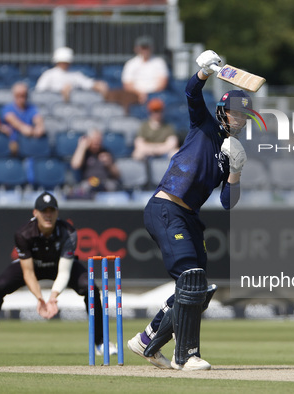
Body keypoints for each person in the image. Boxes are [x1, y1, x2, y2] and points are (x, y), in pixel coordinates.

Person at [126, 50, 249, 371]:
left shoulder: (233, 149)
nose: (240, 121)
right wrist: (204, 73)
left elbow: (227, 203)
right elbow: (191, 94)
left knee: (199, 289)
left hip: (190, 218)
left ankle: (146, 340)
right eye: (236, 114)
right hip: (166, 207)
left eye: (245, 117)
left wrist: (234, 172)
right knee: (191, 278)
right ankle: (187, 355)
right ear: (223, 112)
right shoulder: (204, 126)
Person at [0, 192, 118, 356]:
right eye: (43, 211)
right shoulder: (23, 233)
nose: (48, 215)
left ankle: (101, 342)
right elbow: (28, 272)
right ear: (35, 213)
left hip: (60, 266)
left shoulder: (68, 232)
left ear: (57, 213)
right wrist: (40, 298)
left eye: (51, 210)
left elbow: (64, 272)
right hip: (33, 266)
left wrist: (53, 296)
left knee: (90, 288)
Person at [36, 47, 108, 102]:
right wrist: (61, 91)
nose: (64, 64)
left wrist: (98, 85)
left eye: (66, 62)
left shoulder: (75, 75)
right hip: (55, 104)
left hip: (75, 106)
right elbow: (40, 91)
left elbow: (88, 84)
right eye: (62, 61)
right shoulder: (49, 74)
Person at [70, 129, 120, 195]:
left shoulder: (106, 151)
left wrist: (110, 164)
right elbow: (75, 165)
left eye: (99, 139)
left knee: (113, 186)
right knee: (83, 188)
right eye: (95, 139)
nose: (97, 142)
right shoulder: (84, 152)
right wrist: (82, 146)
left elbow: (117, 175)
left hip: (105, 182)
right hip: (89, 182)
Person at [122, 36, 169, 104]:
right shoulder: (130, 64)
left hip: (156, 95)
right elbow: (127, 85)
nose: (145, 50)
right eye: (143, 48)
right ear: (137, 48)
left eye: (147, 47)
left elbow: (162, 83)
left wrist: (148, 95)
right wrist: (139, 94)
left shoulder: (159, 62)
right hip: (135, 95)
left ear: (151, 48)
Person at [2, 82, 45, 155]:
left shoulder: (31, 108)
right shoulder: (8, 108)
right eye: (18, 95)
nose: (21, 97)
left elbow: (38, 119)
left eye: (23, 95)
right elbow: (14, 121)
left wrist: (39, 127)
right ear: (14, 95)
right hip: (14, 143)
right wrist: (24, 128)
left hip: (29, 142)